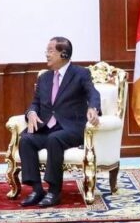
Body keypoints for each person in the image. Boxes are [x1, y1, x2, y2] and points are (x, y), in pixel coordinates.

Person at [18, 37, 101, 208]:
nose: (46, 55)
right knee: (26, 139)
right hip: (47, 128)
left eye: (50, 51)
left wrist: (93, 107)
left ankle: (54, 192)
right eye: (47, 51)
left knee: (54, 139)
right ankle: (37, 189)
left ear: (63, 54)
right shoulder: (44, 78)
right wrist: (31, 113)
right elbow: (35, 103)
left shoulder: (80, 73)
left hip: (71, 129)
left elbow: (93, 93)